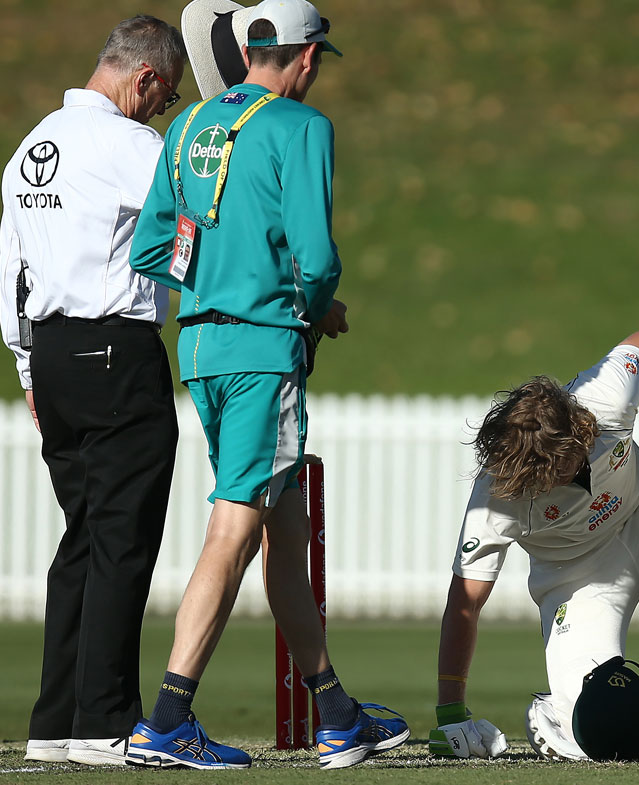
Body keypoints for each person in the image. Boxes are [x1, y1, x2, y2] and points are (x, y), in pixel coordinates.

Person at [122, 0, 406, 770]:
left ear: (252, 51)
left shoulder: (186, 127)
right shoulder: (303, 128)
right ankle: (167, 717)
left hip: (203, 349)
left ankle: (337, 712)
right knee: (236, 524)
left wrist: (221, 277)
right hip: (262, 352)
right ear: (308, 59)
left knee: (282, 529)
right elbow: (317, 261)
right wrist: (306, 312)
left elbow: (152, 248)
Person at [434, 330, 639, 763]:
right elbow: (464, 604)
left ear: (578, 431)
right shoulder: (497, 497)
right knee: (599, 729)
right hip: (577, 579)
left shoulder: (601, 398)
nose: (551, 479)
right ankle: (556, 714)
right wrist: (450, 714)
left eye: (558, 466)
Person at [0, 16, 184, 768]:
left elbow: (8, 269)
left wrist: (27, 367)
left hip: (52, 353)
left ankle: (56, 719)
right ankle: (106, 718)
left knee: (82, 535)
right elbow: (189, 227)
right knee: (121, 535)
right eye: (167, 99)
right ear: (145, 79)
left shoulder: (28, 150)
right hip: (116, 348)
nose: (163, 113)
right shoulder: (132, 146)